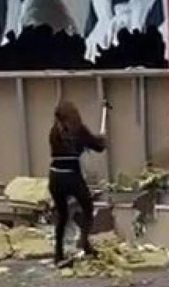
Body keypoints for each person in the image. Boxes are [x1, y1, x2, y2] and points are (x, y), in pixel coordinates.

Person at [48, 100, 107, 267]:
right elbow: (98, 147)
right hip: (72, 176)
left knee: (62, 215)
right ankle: (84, 242)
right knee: (88, 208)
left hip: (55, 176)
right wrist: (102, 139)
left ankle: (58, 255)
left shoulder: (54, 131)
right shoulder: (79, 130)